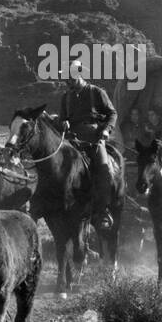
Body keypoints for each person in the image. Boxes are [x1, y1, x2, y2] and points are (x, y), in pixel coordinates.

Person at [58, 62, 117, 232]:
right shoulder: (66, 97)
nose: (67, 81)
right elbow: (62, 118)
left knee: (104, 169)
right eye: (66, 78)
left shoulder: (96, 92)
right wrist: (63, 122)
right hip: (72, 140)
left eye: (70, 77)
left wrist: (106, 131)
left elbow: (112, 113)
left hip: (94, 138)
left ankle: (104, 210)